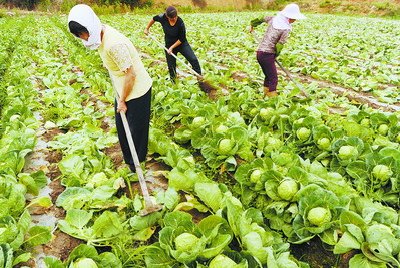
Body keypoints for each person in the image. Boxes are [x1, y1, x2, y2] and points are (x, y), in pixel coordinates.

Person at [68, 4, 153, 173]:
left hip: (137, 90)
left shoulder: (113, 44)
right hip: (124, 88)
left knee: (136, 130)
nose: (83, 38)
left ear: (89, 26)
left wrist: (122, 100)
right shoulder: (100, 33)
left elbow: (131, 75)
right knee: (123, 128)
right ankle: (130, 161)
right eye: (79, 35)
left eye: (82, 33)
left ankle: (137, 164)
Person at [250, 3, 306, 97]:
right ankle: (272, 97)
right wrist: (275, 54)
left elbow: (261, 18)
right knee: (273, 78)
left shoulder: (273, 19)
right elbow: (279, 45)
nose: (295, 20)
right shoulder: (286, 29)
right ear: (289, 17)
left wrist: (252, 24)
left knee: (268, 76)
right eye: (294, 18)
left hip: (260, 53)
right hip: (267, 54)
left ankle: (266, 94)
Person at [144, 6, 201, 83]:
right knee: (171, 67)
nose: (174, 19)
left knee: (193, 59)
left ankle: (200, 79)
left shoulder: (180, 23)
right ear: (167, 16)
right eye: (171, 18)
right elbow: (153, 19)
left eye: (175, 17)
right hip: (169, 44)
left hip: (181, 44)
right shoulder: (162, 17)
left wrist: (172, 47)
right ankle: (173, 83)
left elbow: (182, 39)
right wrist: (147, 28)